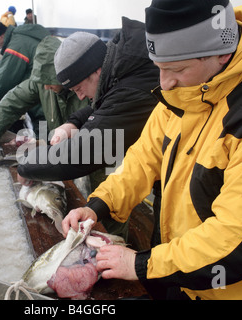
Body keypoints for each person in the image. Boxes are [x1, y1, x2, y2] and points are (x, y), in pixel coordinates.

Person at [62, 0, 242, 300]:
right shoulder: (184, 94)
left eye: (178, 69)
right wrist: (97, 206)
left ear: (222, 53)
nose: (165, 83)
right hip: (184, 278)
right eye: (158, 68)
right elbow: (143, 160)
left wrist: (143, 265)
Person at [16, 17, 160, 238]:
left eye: (79, 88)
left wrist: (25, 166)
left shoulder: (131, 88)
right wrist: (72, 123)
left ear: (96, 71)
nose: (80, 96)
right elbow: (102, 105)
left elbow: (80, 155)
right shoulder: (121, 69)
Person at [0, 36, 89, 158]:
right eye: (43, 81)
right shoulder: (40, 84)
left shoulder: (86, 87)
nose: (46, 87)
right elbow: (12, 102)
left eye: (50, 80)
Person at [0, 20, 50, 104]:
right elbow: (6, 72)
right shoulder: (20, 35)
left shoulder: (15, 47)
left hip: (43, 100)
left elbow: (4, 82)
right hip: (49, 86)